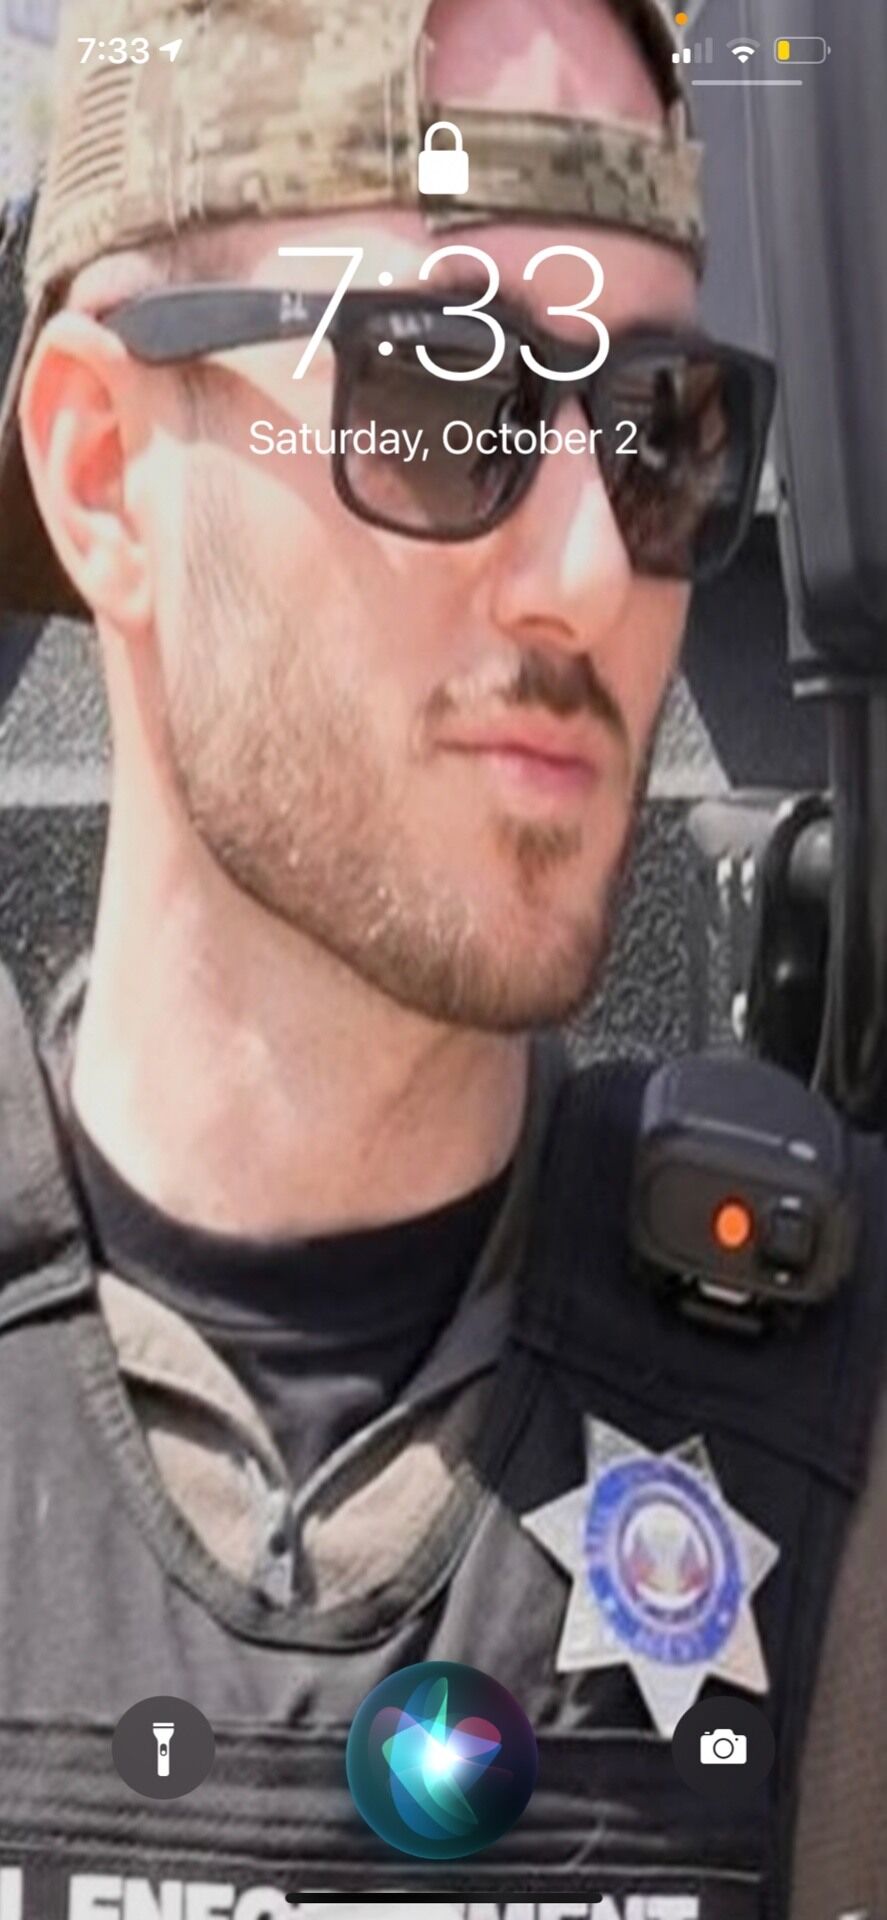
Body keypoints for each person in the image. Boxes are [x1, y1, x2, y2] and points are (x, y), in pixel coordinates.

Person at [0, 0, 883, 1916]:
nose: (591, 573)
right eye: (440, 394)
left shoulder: (853, 1456)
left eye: (661, 432)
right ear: (104, 468)